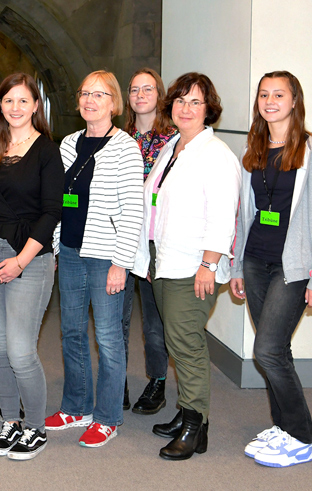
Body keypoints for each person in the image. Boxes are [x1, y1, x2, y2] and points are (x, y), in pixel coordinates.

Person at [230, 71, 312, 468]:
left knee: (267, 350)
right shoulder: (254, 152)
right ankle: (282, 426)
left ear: (295, 101)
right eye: (264, 94)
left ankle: (301, 436)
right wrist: (237, 263)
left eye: (279, 94)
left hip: (293, 268)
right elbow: (245, 214)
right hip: (256, 261)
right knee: (277, 349)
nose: (270, 101)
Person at [132, 72, 241, 460]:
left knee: (187, 346)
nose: (186, 108)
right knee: (177, 344)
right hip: (164, 262)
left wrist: (209, 264)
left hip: (193, 266)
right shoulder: (172, 147)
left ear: (209, 109)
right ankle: (190, 415)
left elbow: (223, 215)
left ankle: (194, 429)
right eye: (180, 101)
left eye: (195, 102)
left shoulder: (217, 155)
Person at [0, 72, 63, 460]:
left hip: (30, 260)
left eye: (24, 101)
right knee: (0, 346)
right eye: (8, 101)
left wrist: (21, 262)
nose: (16, 108)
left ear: (35, 106)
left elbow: (51, 212)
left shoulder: (46, 150)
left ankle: (35, 428)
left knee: (22, 351)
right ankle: (10, 421)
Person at [44, 71, 143, 448]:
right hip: (69, 251)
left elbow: (134, 210)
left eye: (100, 94)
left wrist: (121, 262)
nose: (90, 100)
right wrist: (55, 247)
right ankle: (76, 407)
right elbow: (59, 202)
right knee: (71, 332)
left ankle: (107, 417)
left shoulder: (125, 148)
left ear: (114, 104)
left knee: (108, 337)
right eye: (85, 93)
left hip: (106, 257)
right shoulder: (68, 143)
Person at [120, 68, 177, 414]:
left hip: (156, 241)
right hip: (122, 238)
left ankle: (157, 382)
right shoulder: (118, 136)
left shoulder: (174, 139)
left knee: (155, 323)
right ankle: (118, 382)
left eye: (148, 89)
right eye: (134, 89)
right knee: (117, 318)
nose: (141, 95)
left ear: (160, 94)